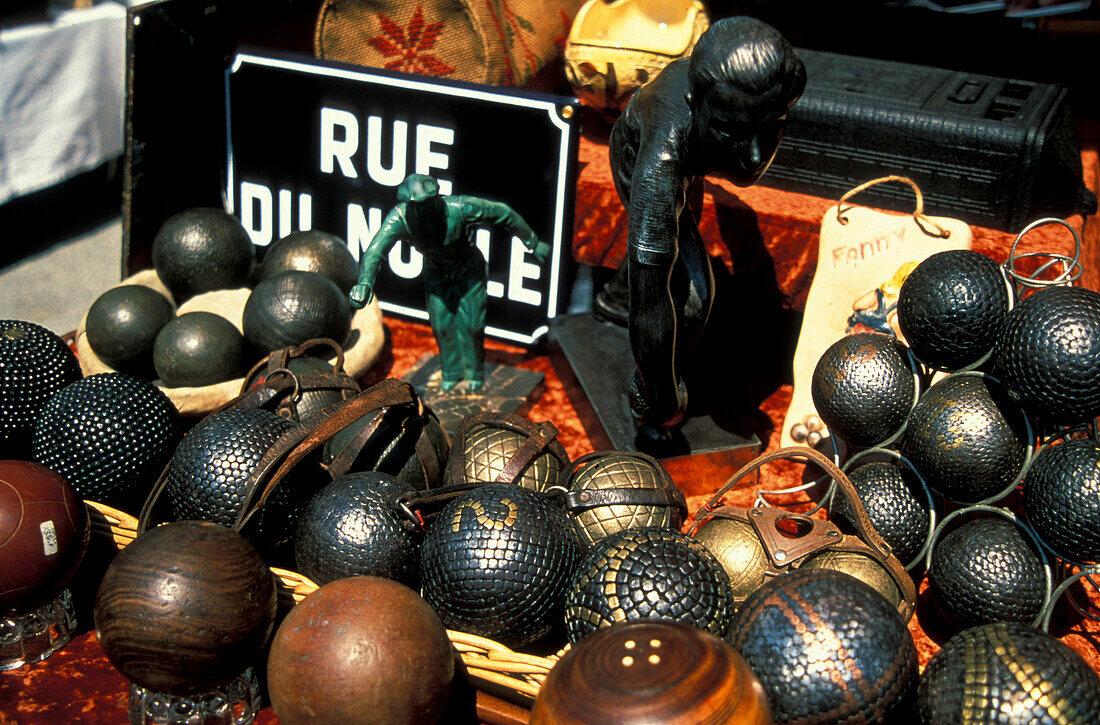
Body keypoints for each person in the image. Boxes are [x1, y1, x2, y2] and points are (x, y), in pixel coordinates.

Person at [603, 16, 806, 435]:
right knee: (691, 298)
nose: (753, 158)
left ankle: (615, 298)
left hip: (687, 156)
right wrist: (662, 395)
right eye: (730, 130)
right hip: (636, 152)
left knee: (673, 233)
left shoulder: (744, 104)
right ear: (696, 103)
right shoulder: (663, 155)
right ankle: (648, 393)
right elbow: (654, 276)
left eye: (770, 131)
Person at [349, 174, 549, 392]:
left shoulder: (460, 207)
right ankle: (452, 373)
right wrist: (365, 282)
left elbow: (503, 213)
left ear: (437, 197)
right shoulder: (401, 218)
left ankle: (474, 373)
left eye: (428, 202)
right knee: (442, 326)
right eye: (417, 205)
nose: (423, 209)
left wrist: (532, 241)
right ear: (408, 205)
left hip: (469, 273)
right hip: (438, 277)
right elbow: (375, 252)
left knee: (472, 324)